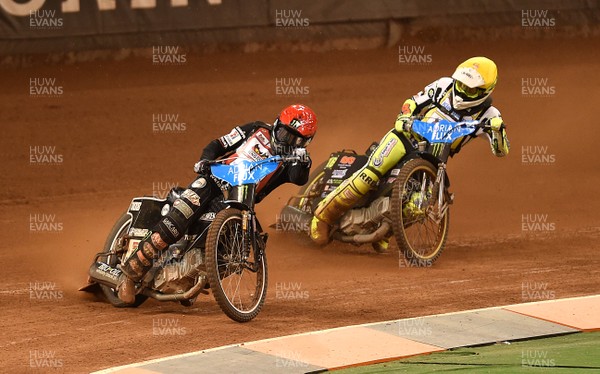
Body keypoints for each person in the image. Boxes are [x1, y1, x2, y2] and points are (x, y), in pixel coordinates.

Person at [118, 104, 318, 304]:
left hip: (240, 200)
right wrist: (205, 160)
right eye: (285, 133)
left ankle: (193, 278)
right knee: (176, 222)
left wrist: (303, 161)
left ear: (306, 142)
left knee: (235, 251)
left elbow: (298, 178)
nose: (287, 141)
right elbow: (219, 144)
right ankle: (129, 274)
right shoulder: (256, 129)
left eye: (296, 139)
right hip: (213, 181)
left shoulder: (295, 160)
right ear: (276, 124)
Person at [310, 56, 510, 246]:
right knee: (370, 174)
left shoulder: (490, 115)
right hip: (407, 137)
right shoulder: (443, 86)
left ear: (485, 91)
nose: (463, 90)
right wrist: (405, 116)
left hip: (435, 158)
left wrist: (497, 130)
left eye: (471, 90)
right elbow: (413, 102)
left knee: (417, 205)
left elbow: (501, 151)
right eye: (461, 84)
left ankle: (383, 230)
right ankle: (323, 217)